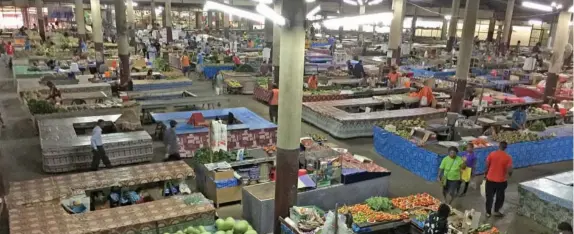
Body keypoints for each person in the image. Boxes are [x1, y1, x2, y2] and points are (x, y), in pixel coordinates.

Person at [484, 141, 513, 217]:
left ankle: (488, 212)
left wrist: (486, 173)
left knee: (489, 197)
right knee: (500, 197)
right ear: (505, 148)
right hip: (501, 181)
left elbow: (487, 165)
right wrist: (509, 175)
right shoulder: (508, 157)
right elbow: (510, 169)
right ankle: (496, 210)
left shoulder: (492, 154)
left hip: (490, 179)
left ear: (499, 146)